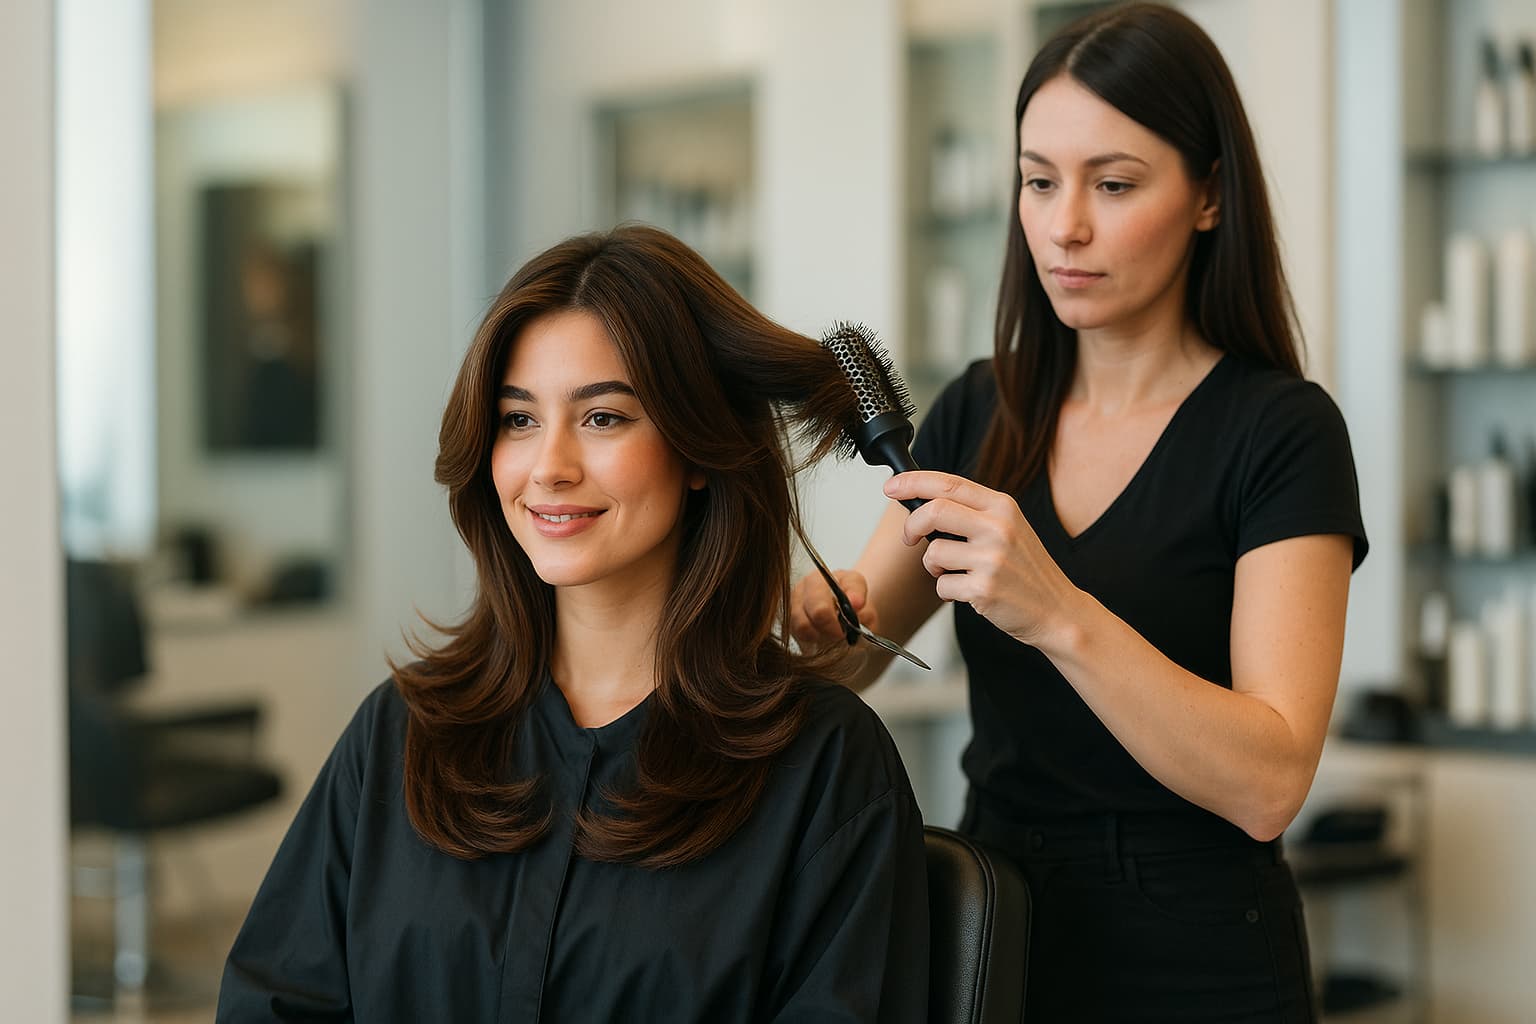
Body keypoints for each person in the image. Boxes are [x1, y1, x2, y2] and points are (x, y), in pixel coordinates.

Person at [792, 5, 1366, 1022]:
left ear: (1208, 195)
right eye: (1039, 180)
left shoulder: (1281, 433)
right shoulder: (983, 406)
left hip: (1197, 959)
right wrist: (809, 619)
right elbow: (863, 642)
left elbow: (1270, 781)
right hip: (992, 930)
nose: (1066, 225)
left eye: (1113, 183)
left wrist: (1057, 610)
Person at [218, 225, 929, 1022]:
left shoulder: (823, 767)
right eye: (519, 420)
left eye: (603, 419)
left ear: (699, 448)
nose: (549, 467)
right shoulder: (402, 737)